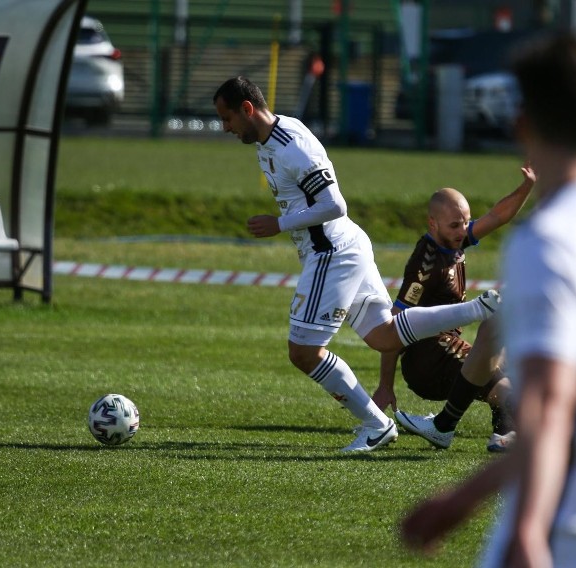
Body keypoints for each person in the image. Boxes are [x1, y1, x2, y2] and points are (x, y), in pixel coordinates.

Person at [401, 36, 576, 567]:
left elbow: (550, 410)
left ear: (524, 127)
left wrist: (515, 525)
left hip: (571, 528)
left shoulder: (551, 240)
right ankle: (446, 424)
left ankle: (446, 424)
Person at [212, 76, 501, 452]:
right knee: (384, 335)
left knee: (303, 352)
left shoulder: (292, 145)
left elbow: (335, 205)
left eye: (227, 118)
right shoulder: (273, 139)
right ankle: (477, 308)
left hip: (331, 252)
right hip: (346, 246)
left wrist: (278, 224)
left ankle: (375, 424)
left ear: (247, 109)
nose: (225, 128)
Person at [373, 165, 536, 452]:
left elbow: (497, 216)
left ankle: (504, 431)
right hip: (427, 360)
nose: (463, 231)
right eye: (455, 226)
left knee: (506, 354)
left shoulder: (452, 241)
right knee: (501, 380)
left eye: (465, 223)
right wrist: (386, 384)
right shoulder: (426, 265)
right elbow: (394, 326)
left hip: (446, 346)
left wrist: (526, 188)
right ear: (433, 224)